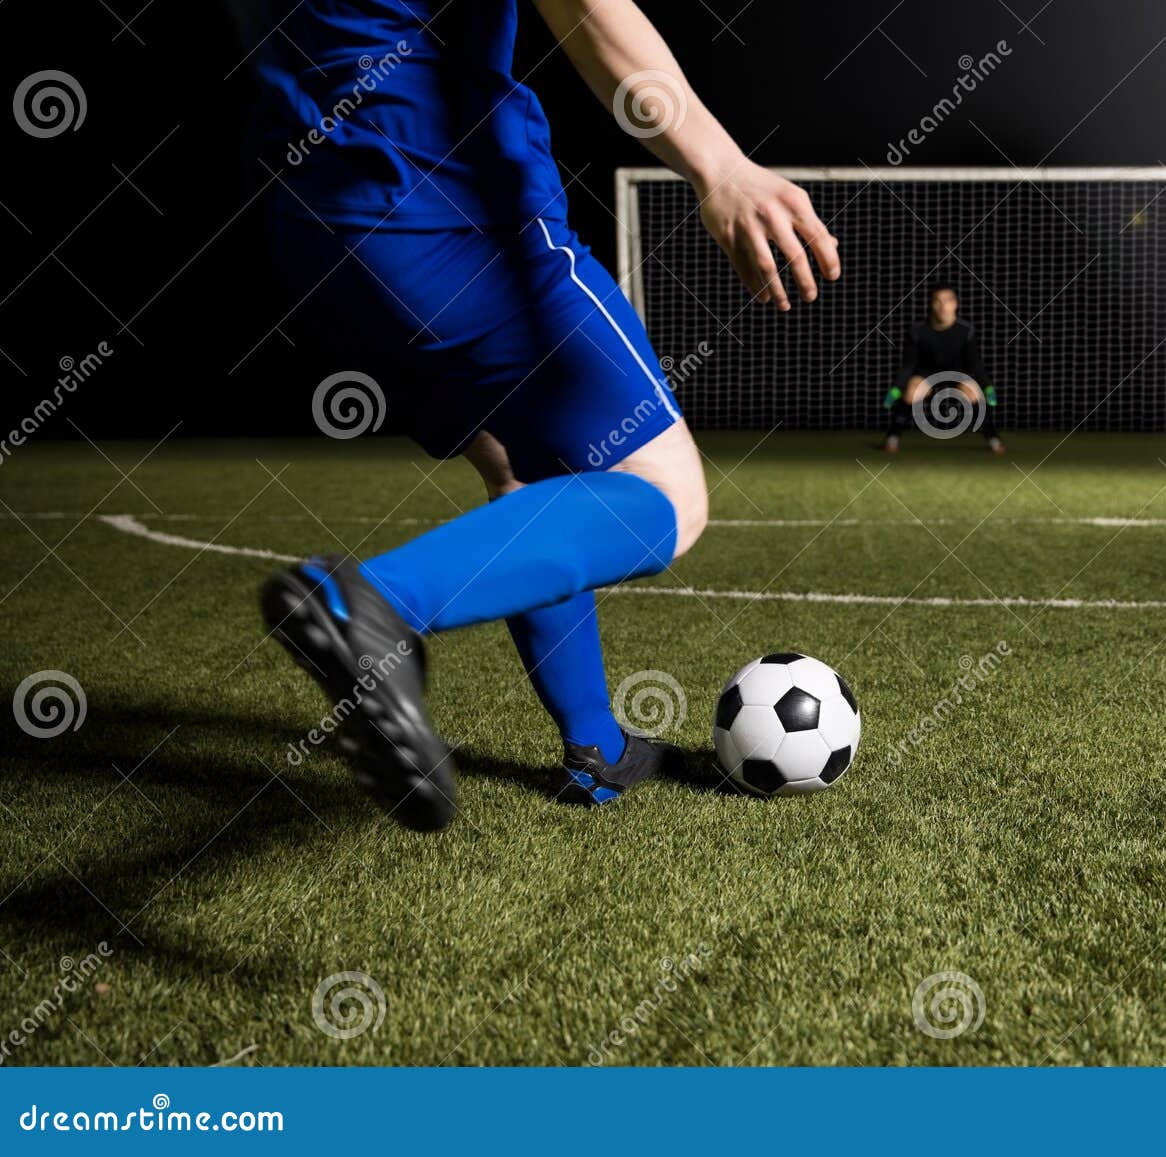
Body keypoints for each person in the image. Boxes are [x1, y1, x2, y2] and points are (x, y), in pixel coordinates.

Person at [242, 0, 840, 829]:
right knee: (668, 493)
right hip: (448, 203)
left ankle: (595, 747)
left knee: (520, 464)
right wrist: (720, 166)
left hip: (313, 230)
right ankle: (369, 604)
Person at [882, 285, 1005, 454]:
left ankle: (993, 439)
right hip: (927, 373)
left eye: (947, 301)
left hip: (958, 373)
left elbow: (975, 362)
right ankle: (892, 437)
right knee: (911, 392)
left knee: (973, 393)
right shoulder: (918, 331)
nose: (943, 306)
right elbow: (908, 365)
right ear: (931, 305)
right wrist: (897, 388)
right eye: (938, 301)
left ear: (955, 304)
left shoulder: (965, 330)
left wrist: (987, 386)